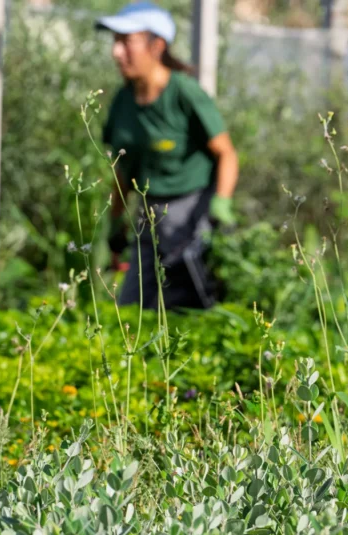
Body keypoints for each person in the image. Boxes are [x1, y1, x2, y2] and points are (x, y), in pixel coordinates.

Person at [95, 1, 240, 311]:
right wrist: (116, 221)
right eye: (115, 42)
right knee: (132, 308)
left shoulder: (184, 93)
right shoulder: (122, 101)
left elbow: (226, 153)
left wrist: (221, 203)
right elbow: (122, 170)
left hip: (190, 216)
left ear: (157, 45)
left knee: (190, 305)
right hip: (147, 216)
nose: (116, 52)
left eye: (126, 41)